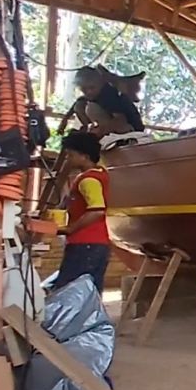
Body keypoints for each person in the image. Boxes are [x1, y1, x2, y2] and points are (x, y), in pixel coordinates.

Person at [52, 131, 112, 293]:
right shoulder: (100, 173)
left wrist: (71, 229)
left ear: (84, 156)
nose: (68, 159)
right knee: (88, 293)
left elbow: (97, 210)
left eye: (70, 155)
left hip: (85, 243)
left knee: (70, 291)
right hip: (98, 243)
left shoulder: (88, 180)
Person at [72, 66, 145, 137]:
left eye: (92, 87)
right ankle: (89, 134)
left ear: (101, 83)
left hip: (130, 127)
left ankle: (106, 137)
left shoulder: (109, 95)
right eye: (84, 89)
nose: (88, 92)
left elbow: (121, 119)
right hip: (110, 125)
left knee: (91, 108)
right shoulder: (91, 96)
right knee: (79, 106)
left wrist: (101, 131)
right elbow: (77, 105)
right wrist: (64, 121)